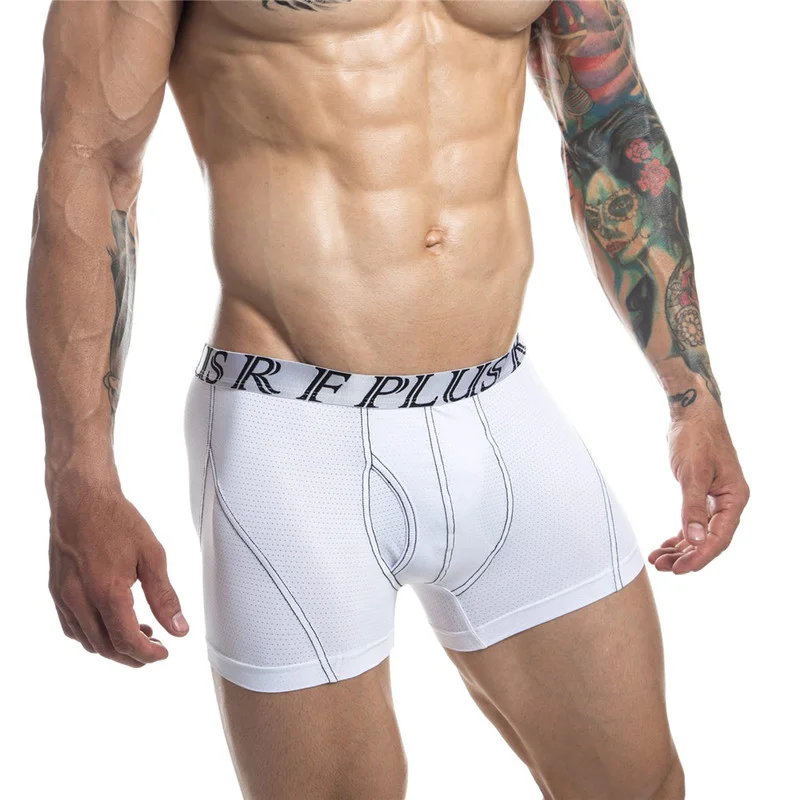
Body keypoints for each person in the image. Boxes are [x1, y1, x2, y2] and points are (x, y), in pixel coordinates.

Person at [27, 1, 749, 798]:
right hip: (292, 437)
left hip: (500, 406)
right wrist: (80, 477)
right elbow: (92, 164)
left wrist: (692, 395)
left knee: (642, 786)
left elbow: (609, 127)